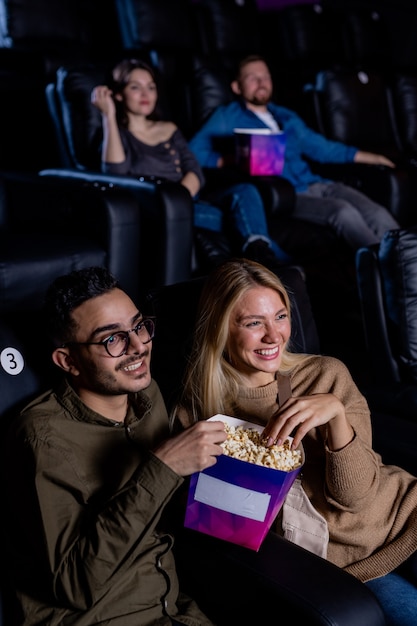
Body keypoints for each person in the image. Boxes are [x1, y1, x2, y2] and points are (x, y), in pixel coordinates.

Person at [171, 258, 417, 626]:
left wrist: (336, 416)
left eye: (281, 317)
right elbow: (220, 529)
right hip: (350, 566)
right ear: (222, 329)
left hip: (401, 514)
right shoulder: (195, 414)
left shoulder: (325, 374)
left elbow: (358, 496)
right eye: (254, 323)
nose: (274, 336)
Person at [3, 266, 227, 625]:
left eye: (139, 326)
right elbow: (76, 584)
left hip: (175, 609)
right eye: (112, 339)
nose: (139, 346)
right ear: (68, 361)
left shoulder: (147, 395)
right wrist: (161, 467)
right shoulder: (40, 439)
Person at [91, 57, 292, 266]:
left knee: (245, 191)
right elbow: (115, 175)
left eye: (151, 87)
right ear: (118, 94)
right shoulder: (115, 135)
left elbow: (194, 169)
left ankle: (265, 257)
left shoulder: (169, 128)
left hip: (188, 201)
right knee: (240, 219)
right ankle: (283, 266)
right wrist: (109, 117)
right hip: (157, 208)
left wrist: (181, 200)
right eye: (135, 87)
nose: (146, 94)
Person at [189, 55, 401, 250]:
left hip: (318, 183)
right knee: (343, 212)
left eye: (265, 77)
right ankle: (389, 273)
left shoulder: (286, 116)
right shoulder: (228, 116)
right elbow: (194, 152)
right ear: (237, 86)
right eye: (252, 78)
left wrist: (373, 157)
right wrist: (230, 160)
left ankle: (410, 265)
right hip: (287, 195)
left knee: (377, 213)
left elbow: (323, 149)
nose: (261, 82)